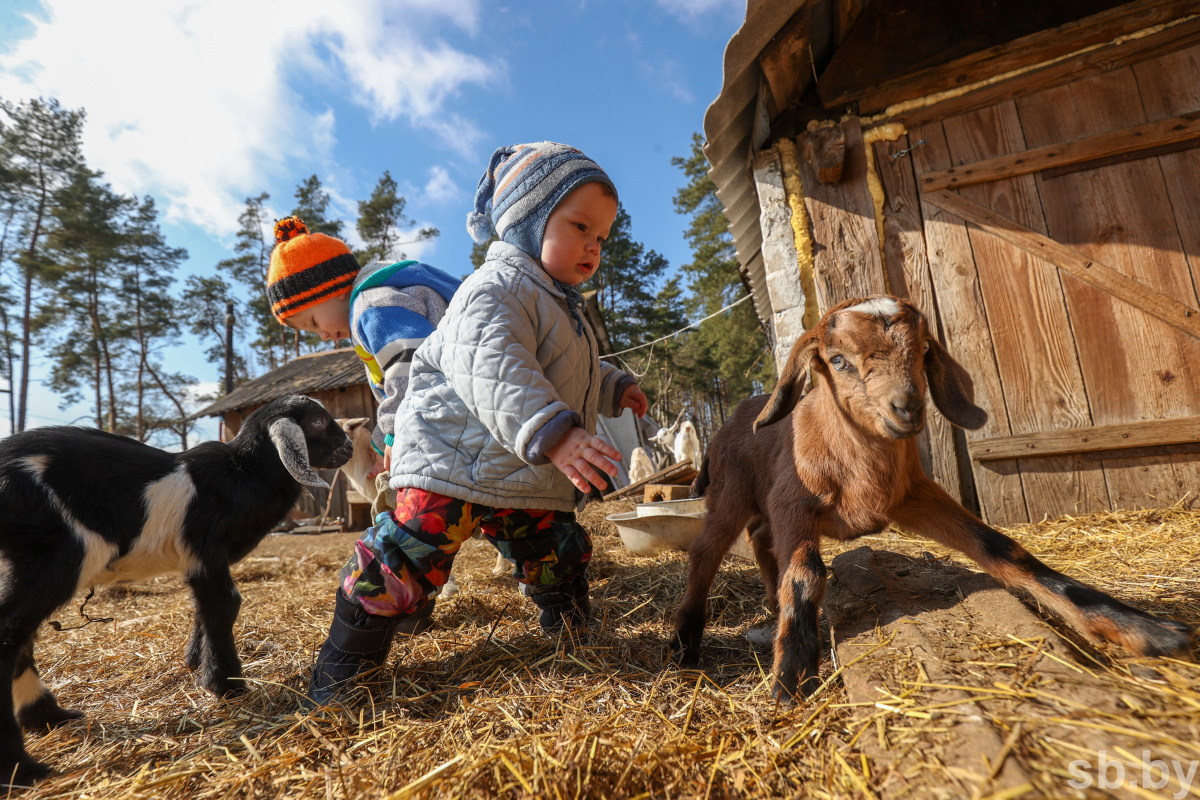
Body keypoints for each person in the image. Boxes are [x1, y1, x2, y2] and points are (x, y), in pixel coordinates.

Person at [307, 142, 648, 705]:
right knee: (407, 557)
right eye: (579, 225)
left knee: (553, 548)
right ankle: (344, 669)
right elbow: (495, 364)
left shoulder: (563, 306)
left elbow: (566, 367)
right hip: (451, 459)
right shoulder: (494, 289)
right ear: (526, 222)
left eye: (602, 236)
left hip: (516, 469)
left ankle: (570, 630)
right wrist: (557, 432)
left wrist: (612, 385)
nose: (593, 244)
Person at [267, 216, 461, 464]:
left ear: (333, 289)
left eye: (314, 323)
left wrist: (394, 432)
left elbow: (412, 364)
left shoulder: (371, 308)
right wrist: (382, 445)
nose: (323, 336)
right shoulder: (370, 313)